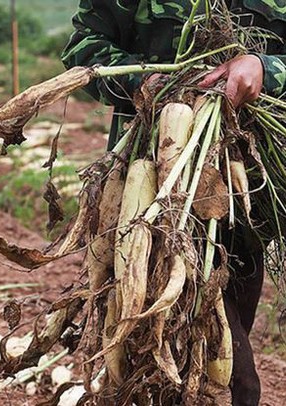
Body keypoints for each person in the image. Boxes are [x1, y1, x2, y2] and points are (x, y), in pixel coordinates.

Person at [61, 1, 285, 405]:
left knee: (219, 347)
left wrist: (265, 69)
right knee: (229, 378)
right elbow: (83, 45)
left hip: (247, 200)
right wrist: (141, 84)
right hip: (150, 194)